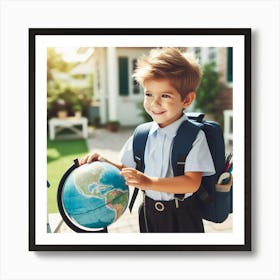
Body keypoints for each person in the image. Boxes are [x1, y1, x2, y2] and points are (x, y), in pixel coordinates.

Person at [80, 47, 215, 233]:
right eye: (148, 94)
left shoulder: (193, 136)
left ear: (187, 99)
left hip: (183, 215)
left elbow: (191, 182)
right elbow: (129, 171)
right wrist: (104, 163)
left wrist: (148, 182)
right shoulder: (142, 134)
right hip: (148, 212)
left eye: (165, 96)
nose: (154, 103)